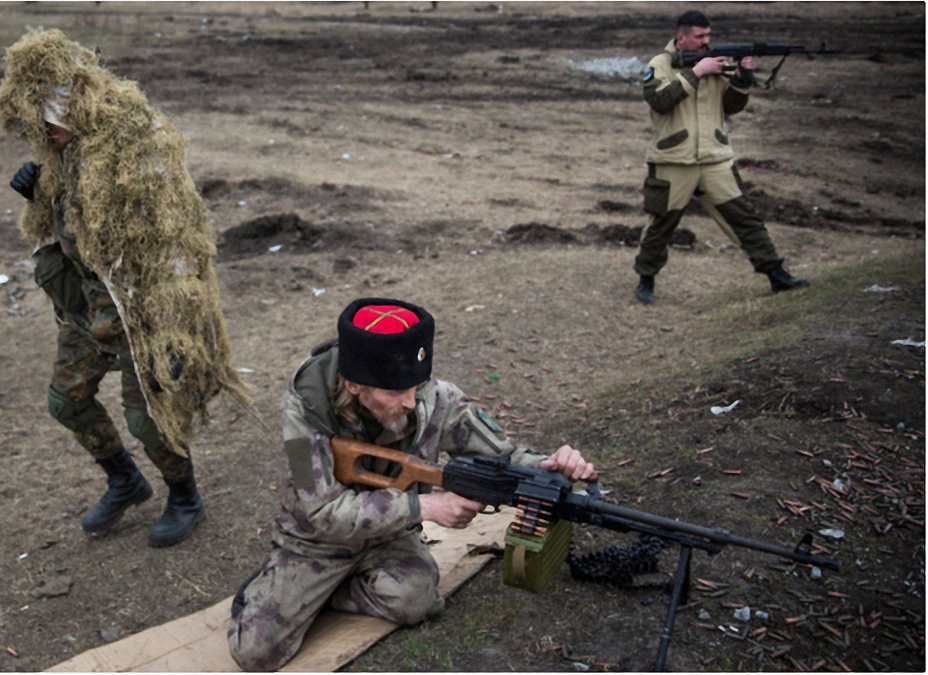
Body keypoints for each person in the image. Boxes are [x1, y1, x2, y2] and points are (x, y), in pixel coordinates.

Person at [227, 298, 595, 671]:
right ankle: (287, 585)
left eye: (415, 385)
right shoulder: (306, 409)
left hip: (391, 535)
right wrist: (426, 507)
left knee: (416, 601)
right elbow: (322, 511)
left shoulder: (433, 397)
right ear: (354, 384)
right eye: (394, 392)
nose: (410, 401)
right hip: (316, 540)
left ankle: (325, 594)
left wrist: (550, 467)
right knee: (254, 653)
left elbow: (502, 456)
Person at [0, 31, 248, 548]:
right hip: (88, 306)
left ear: (69, 108)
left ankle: (185, 496)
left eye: (47, 125)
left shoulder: (135, 141)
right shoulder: (61, 149)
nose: (42, 136)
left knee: (147, 418)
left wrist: (174, 332)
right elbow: (59, 224)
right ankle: (124, 480)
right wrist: (38, 191)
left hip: (142, 311)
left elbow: (176, 237)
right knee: (66, 401)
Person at [633, 10, 809, 305]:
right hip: (674, 160)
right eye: (699, 36)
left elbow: (732, 106)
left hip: (715, 159)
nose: (706, 42)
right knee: (660, 225)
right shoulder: (660, 65)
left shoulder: (716, 62)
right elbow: (659, 101)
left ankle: (777, 275)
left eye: (708, 36)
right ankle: (645, 280)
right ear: (681, 37)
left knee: (745, 219)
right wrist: (697, 72)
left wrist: (742, 77)